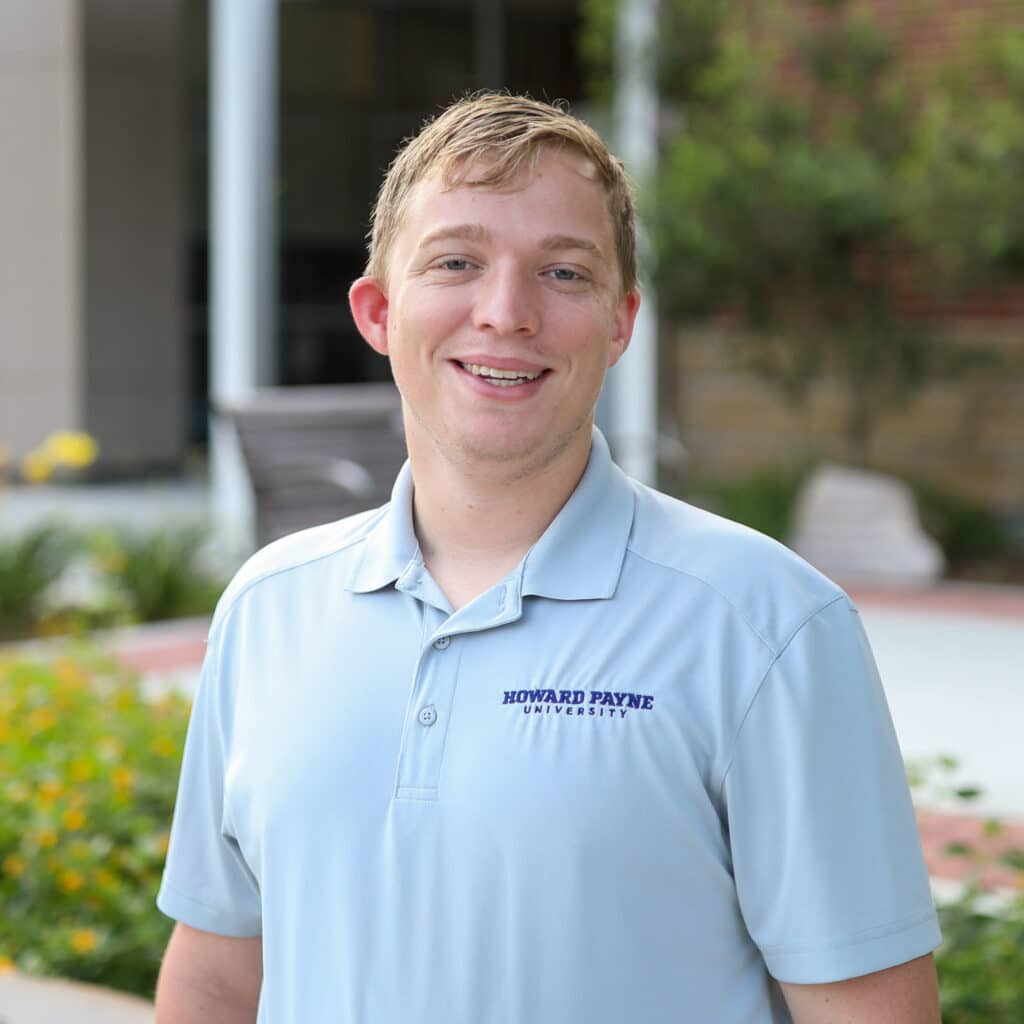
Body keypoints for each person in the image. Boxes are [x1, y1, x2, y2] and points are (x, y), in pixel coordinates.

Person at [155, 93, 942, 1023]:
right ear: (376, 310)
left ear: (619, 322)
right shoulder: (267, 606)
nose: (506, 313)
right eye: (456, 261)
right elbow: (216, 972)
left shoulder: (767, 624)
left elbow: (870, 1010)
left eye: (564, 273)